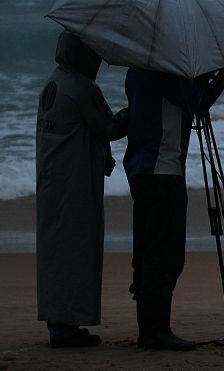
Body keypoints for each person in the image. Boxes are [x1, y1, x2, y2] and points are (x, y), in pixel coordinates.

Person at [123, 65, 224, 351]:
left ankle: (148, 328)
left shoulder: (137, 69)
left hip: (139, 167)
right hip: (164, 168)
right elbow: (200, 103)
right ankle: (156, 331)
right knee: (166, 254)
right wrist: (223, 73)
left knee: (147, 251)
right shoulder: (166, 71)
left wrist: (197, 80)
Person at [36, 31, 128, 348]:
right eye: (95, 54)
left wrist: (103, 150)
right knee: (76, 250)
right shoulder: (82, 87)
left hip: (52, 180)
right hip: (75, 182)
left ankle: (58, 321)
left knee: (57, 252)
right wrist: (137, 109)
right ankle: (66, 327)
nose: (99, 60)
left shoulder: (55, 81)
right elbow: (110, 127)